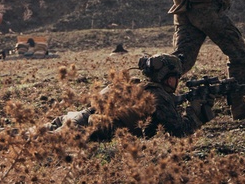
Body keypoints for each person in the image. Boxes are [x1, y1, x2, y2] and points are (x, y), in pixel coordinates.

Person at [51, 54, 215, 140]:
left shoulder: (139, 85)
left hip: (78, 117)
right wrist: (195, 113)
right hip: (90, 129)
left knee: (38, 133)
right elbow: (179, 132)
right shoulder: (157, 95)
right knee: (43, 144)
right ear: (170, 78)